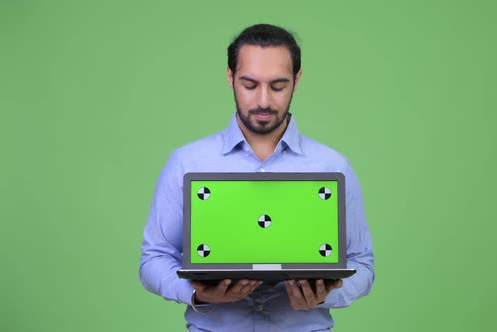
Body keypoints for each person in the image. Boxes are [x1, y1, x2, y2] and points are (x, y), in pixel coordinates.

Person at [139, 23, 375, 332]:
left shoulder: (334, 167)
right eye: (250, 85)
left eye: (278, 86)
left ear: (297, 80)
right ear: (230, 78)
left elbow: (363, 264)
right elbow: (154, 258)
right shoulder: (186, 163)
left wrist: (325, 296)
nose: (263, 101)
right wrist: (198, 293)